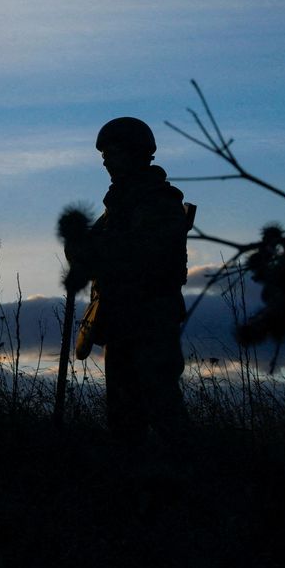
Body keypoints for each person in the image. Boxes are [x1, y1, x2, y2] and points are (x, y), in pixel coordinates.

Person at [66, 117, 190, 442]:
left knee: (162, 410)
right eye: (103, 152)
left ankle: (185, 480)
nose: (105, 159)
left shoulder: (159, 202)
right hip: (121, 322)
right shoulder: (118, 205)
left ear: (135, 153)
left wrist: (94, 248)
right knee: (123, 418)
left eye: (112, 151)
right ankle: (130, 482)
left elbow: (144, 256)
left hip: (150, 323)